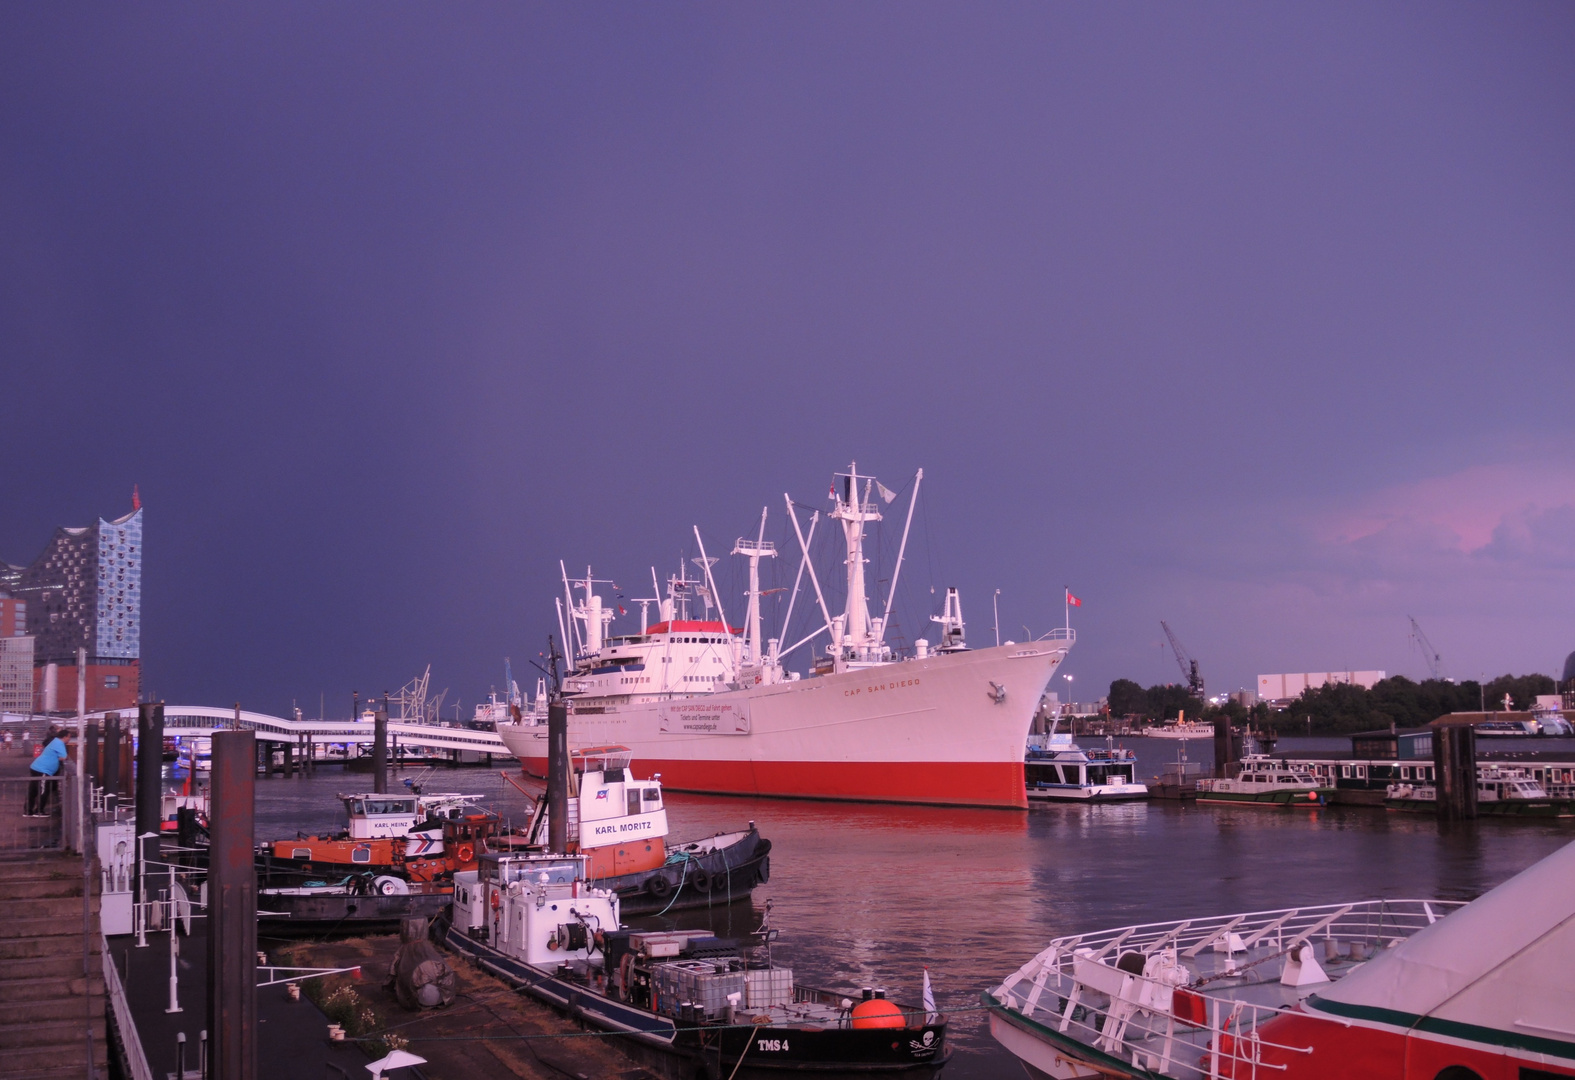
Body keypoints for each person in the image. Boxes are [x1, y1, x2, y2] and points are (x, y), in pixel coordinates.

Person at [25, 726, 68, 817]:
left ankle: (28, 811)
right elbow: (64, 757)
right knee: (43, 790)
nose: (69, 739)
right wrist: (56, 759)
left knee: (33, 790)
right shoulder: (60, 743)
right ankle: (39, 811)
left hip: (36, 767)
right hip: (43, 770)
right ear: (65, 737)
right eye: (69, 737)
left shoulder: (54, 741)